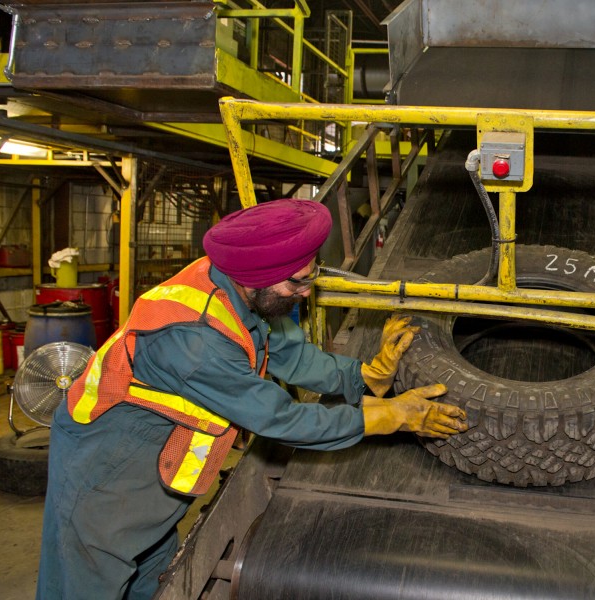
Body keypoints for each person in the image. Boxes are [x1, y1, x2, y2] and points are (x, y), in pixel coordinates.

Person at [35, 199, 469, 600]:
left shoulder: (243, 293)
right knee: (91, 580)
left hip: (161, 457)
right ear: (257, 279)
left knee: (152, 575)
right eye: (299, 282)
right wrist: (390, 417)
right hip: (107, 469)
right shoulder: (193, 341)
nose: (306, 291)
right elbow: (280, 419)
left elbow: (287, 354)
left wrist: (364, 377)